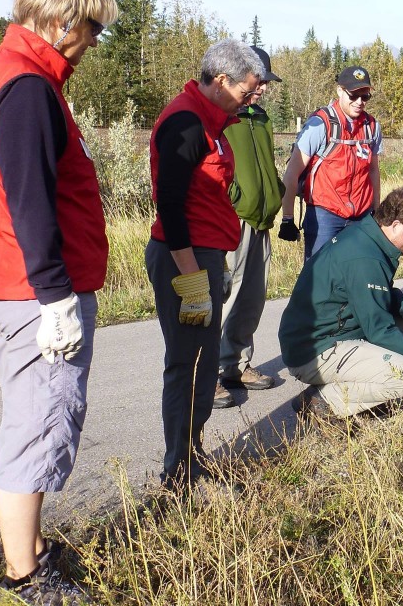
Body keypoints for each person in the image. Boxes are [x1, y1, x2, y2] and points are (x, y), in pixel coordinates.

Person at [0, 0, 117, 600]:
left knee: (34, 418)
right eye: (90, 30)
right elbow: (28, 198)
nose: (93, 43)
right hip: (35, 293)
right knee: (38, 424)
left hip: (15, 281)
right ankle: (25, 574)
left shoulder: (5, 72)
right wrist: (55, 297)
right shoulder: (26, 86)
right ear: (58, 23)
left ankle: (28, 551)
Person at [146, 39, 264, 488]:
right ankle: (179, 471)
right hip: (185, 259)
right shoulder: (186, 121)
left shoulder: (214, 121)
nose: (251, 99)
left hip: (205, 256)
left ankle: (192, 454)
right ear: (221, 81)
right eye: (246, 91)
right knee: (187, 363)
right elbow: (170, 204)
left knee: (203, 358)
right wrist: (192, 275)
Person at [279, 187, 403, 417]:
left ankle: (352, 389)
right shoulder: (364, 257)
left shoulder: (368, 235)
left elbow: (374, 291)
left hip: (330, 332)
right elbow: (380, 331)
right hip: (312, 351)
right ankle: (321, 402)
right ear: (395, 224)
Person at [215, 47, 285, 409]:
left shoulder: (259, 117)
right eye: (258, 84)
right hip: (234, 219)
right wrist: (236, 198)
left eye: (265, 84)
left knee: (252, 297)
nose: (262, 91)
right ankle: (209, 373)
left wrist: (276, 191)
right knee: (227, 296)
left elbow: (266, 164)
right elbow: (217, 168)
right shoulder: (221, 116)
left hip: (261, 219)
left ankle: (236, 365)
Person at [279, 65, 382, 260]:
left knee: (353, 277)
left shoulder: (371, 127)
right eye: (353, 95)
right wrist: (287, 218)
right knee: (319, 278)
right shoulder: (321, 124)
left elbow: (374, 171)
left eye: (365, 96)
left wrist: (377, 209)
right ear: (340, 91)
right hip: (324, 215)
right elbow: (292, 172)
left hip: (361, 216)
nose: (359, 102)